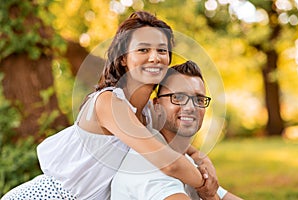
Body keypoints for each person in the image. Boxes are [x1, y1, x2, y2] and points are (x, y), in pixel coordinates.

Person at [2, 11, 207, 200]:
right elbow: (169, 162)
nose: (155, 57)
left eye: (162, 50)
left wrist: (200, 157)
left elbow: (173, 145)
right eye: (143, 49)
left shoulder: (148, 113)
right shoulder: (109, 102)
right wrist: (206, 184)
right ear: (124, 58)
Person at [111, 61, 243, 200]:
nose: (190, 107)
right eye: (178, 97)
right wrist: (210, 196)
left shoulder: (186, 161)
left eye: (199, 99)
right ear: (157, 106)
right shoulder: (147, 166)